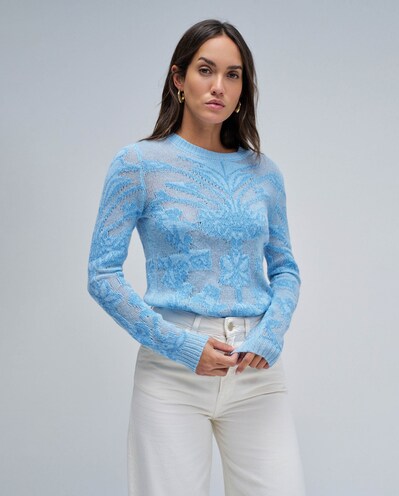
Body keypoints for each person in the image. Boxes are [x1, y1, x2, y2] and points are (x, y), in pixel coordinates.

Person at [87, 18, 306, 496]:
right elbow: (102, 274)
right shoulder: (137, 165)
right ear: (178, 79)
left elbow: (285, 268)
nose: (218, 86)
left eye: (233, 74)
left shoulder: (264, 173)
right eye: (206, 70)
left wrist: (271, 333)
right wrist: (182, 347)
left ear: (244, 88)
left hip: (256, 370)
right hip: (172, 371)